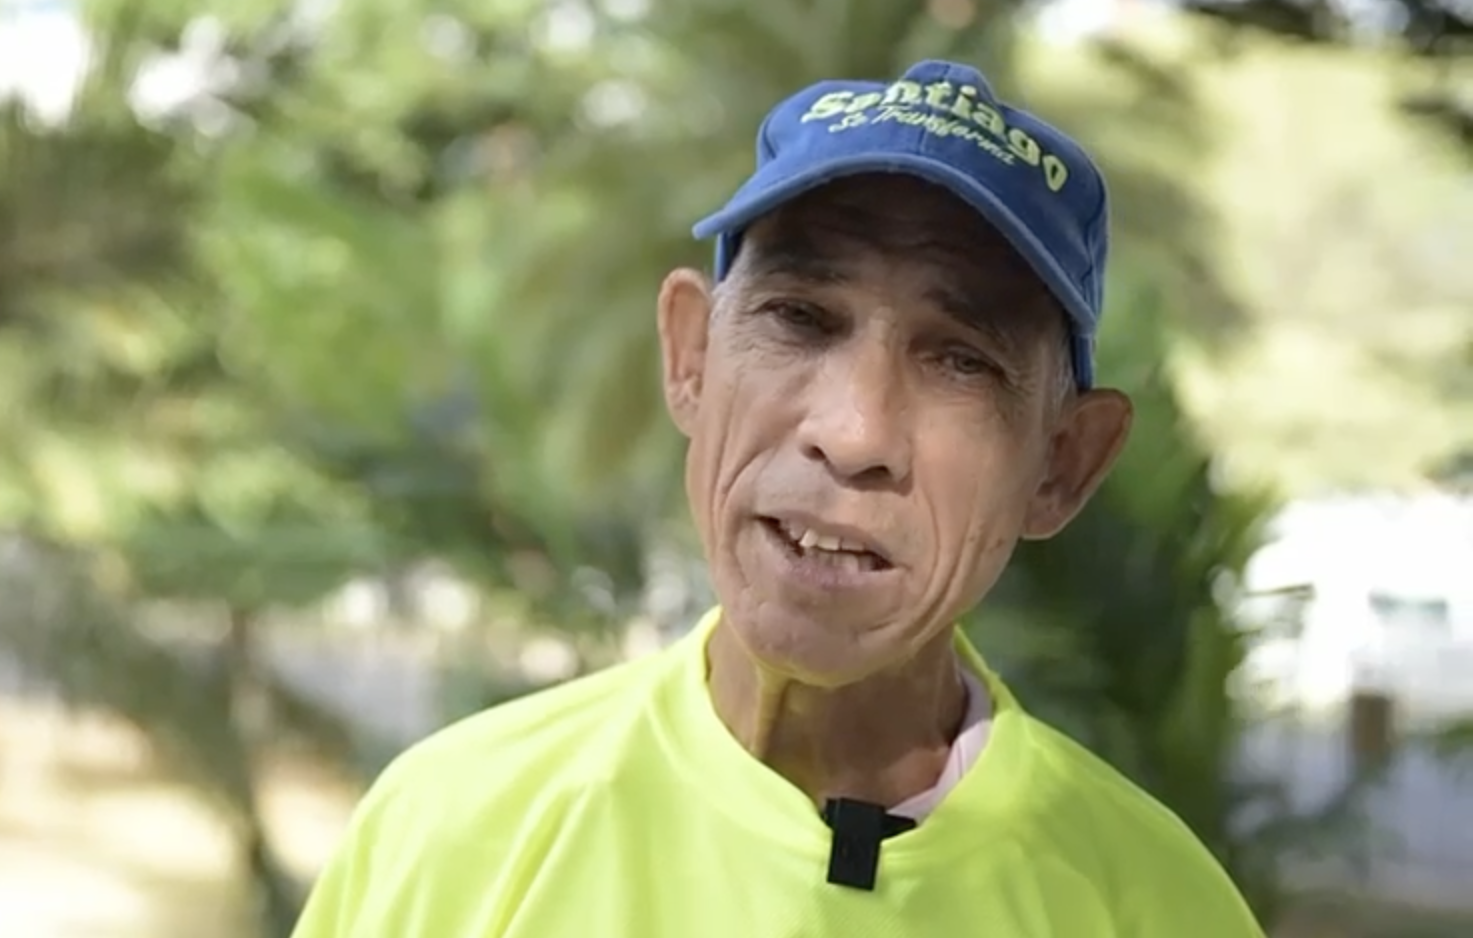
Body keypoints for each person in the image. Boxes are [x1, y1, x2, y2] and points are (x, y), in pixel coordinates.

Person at [290, 59, 1267, 938]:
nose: (853, 431)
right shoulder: (456, 826)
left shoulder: (1154, 905)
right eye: (800, 317)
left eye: (961, 360)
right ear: (691, 356)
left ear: (1062, 464)